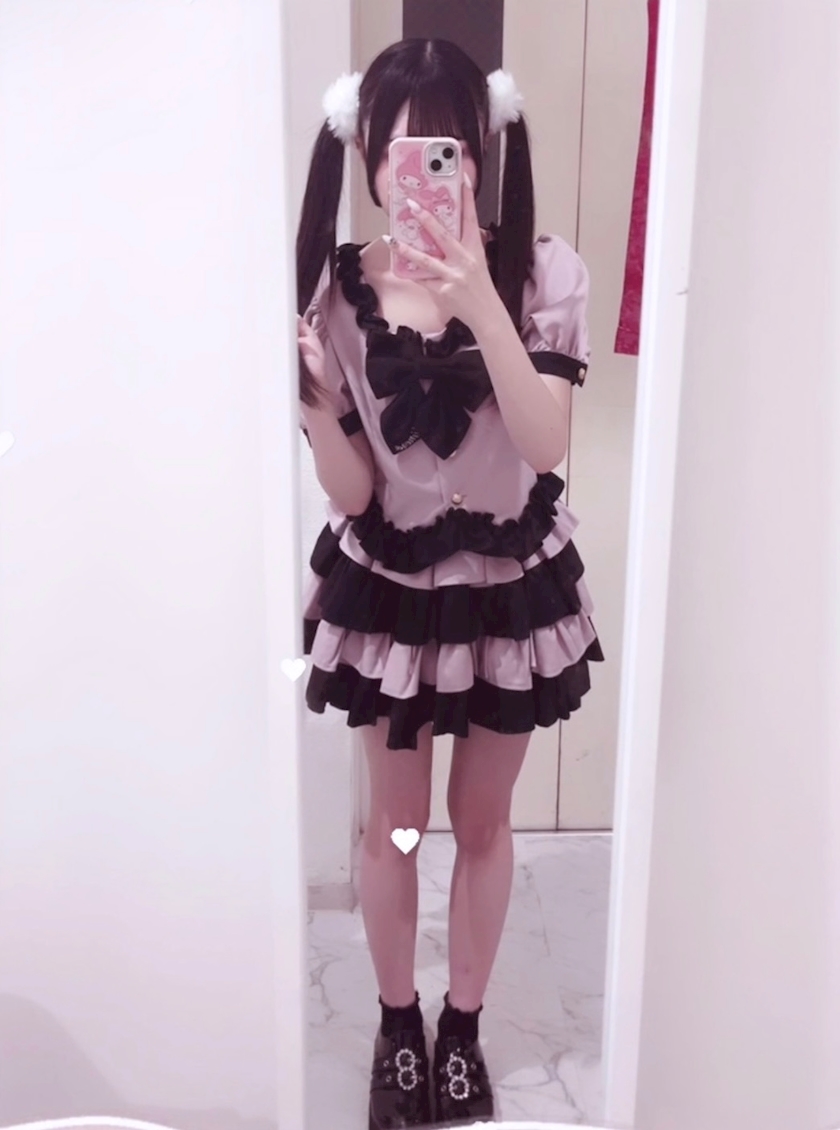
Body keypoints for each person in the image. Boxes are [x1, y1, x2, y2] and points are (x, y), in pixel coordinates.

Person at [296, 38, 604, 1130]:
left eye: (452, 149)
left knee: (481, 821)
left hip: (506, 588)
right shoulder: (339, 293)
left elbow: (547, 442)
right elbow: (353, 490)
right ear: (368, 161)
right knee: (396, 826)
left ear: (483, 153)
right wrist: (314, 407)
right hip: (391, 592)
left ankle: (461, 1029)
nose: (429, 171)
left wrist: (479, 300)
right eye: (404, 150)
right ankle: (398, 1025)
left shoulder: (543, 274)